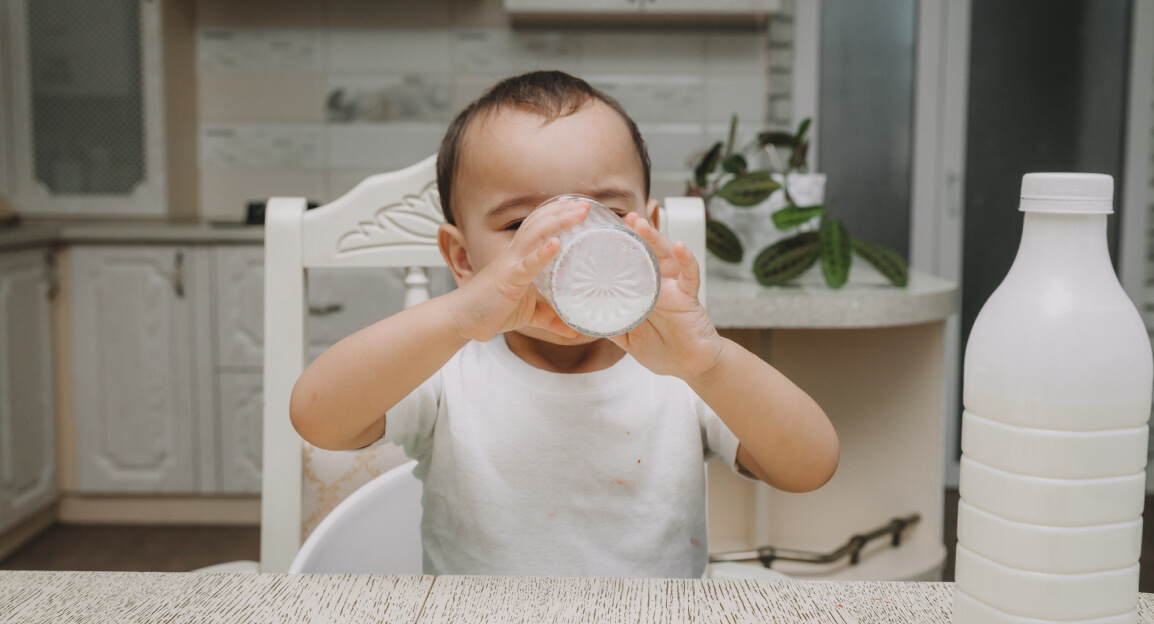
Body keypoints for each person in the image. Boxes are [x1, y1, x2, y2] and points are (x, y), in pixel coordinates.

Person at [290, 70, 839, 577]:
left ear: (646, 229)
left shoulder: (681, 372)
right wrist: (458, 317)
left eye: (610, 213)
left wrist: (712, 361)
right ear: (462, 260)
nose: (565, 245)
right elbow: (319, 417)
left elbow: (811, 467)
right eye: (522, 222)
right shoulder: (450, 370)